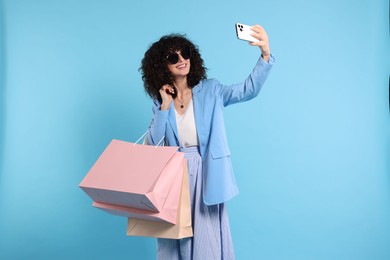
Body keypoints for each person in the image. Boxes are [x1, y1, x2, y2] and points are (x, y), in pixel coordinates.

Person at [140, 24, 275, 260]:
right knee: (173, 240)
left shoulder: (212, 90)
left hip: (207, 174)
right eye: (173, 57)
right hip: (174, 177)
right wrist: (164, 106)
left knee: (207, 238)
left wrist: (265, 54)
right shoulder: (160, 102)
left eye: (185, 53)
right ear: (163, 66)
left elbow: (248, 89)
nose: (181, 59)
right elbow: (154, 145)